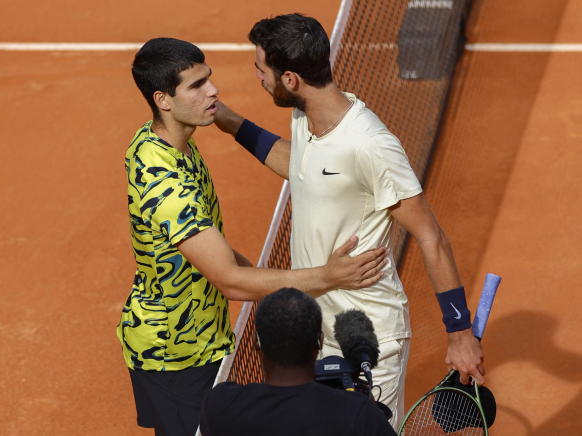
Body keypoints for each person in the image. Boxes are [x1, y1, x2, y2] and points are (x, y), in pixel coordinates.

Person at [213, 14, 485, 430]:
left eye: (260, 69)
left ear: (290, 79)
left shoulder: (370, 145)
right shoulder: (306, 115)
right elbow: (302, 166)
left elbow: (432, 237)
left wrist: (460, 334)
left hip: (368, 337)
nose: (256, 77)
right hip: (315, 331)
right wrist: (228, 120)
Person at [117, 37, 389, 436]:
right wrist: (326, 277)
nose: (214, 90)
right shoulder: (165, 184)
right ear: (163, 100)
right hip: (175, 355)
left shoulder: (166, 144)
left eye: (208, 78)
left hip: (198, 337)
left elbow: (218, 255)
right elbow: (229, 280)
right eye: (196, 86)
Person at [199, 287, 397, 436]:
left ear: (256, 342)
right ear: (319, 341)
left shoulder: (219, 406)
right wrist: (368, 407)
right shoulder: (358, 414)